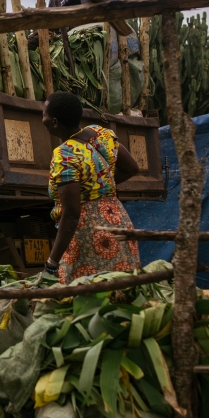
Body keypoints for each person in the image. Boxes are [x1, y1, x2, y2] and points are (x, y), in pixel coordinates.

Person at [42, 92, 142, 284]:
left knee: (87, 302)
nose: (42, 119)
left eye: (44, 115)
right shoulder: (101, 134)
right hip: (118, 222)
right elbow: (132, 167)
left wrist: (52, 262)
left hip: (90, 236)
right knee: (122, 295)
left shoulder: (64, 155)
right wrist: (100, 186)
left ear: (54, 122)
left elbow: (71, 213)